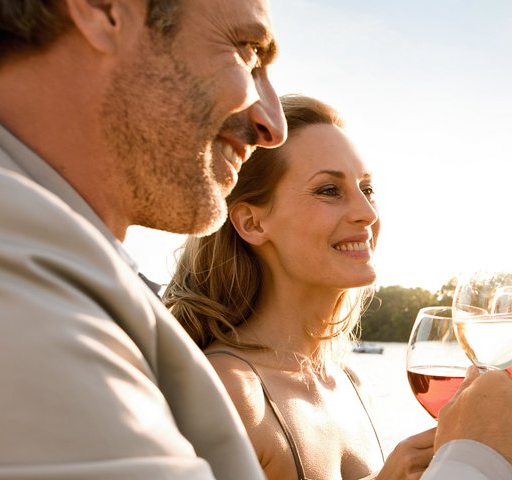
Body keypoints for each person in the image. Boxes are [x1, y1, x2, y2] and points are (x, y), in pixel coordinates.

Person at [0, 1, 512, 478]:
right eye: (246, 52)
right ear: (103, 9)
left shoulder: (44, 264)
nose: (269, 123)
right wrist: (479, 464)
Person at [164, 94, 436, 479]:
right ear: (253, 223)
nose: (367, 213)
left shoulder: (350, 384)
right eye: (329, 190)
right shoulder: (230, 391)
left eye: (367, 189)